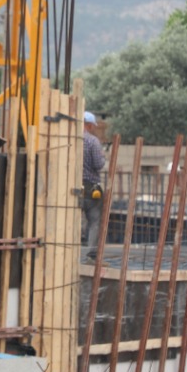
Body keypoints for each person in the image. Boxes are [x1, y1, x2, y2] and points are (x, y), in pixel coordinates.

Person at [81, 111, 106, 260]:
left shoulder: (69, 137)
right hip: (90, 187)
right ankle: (91, 255)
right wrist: (103, 157)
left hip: (69, 186)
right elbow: (98, 164)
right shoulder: (92, 141)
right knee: (94, 220)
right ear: (89, 125)